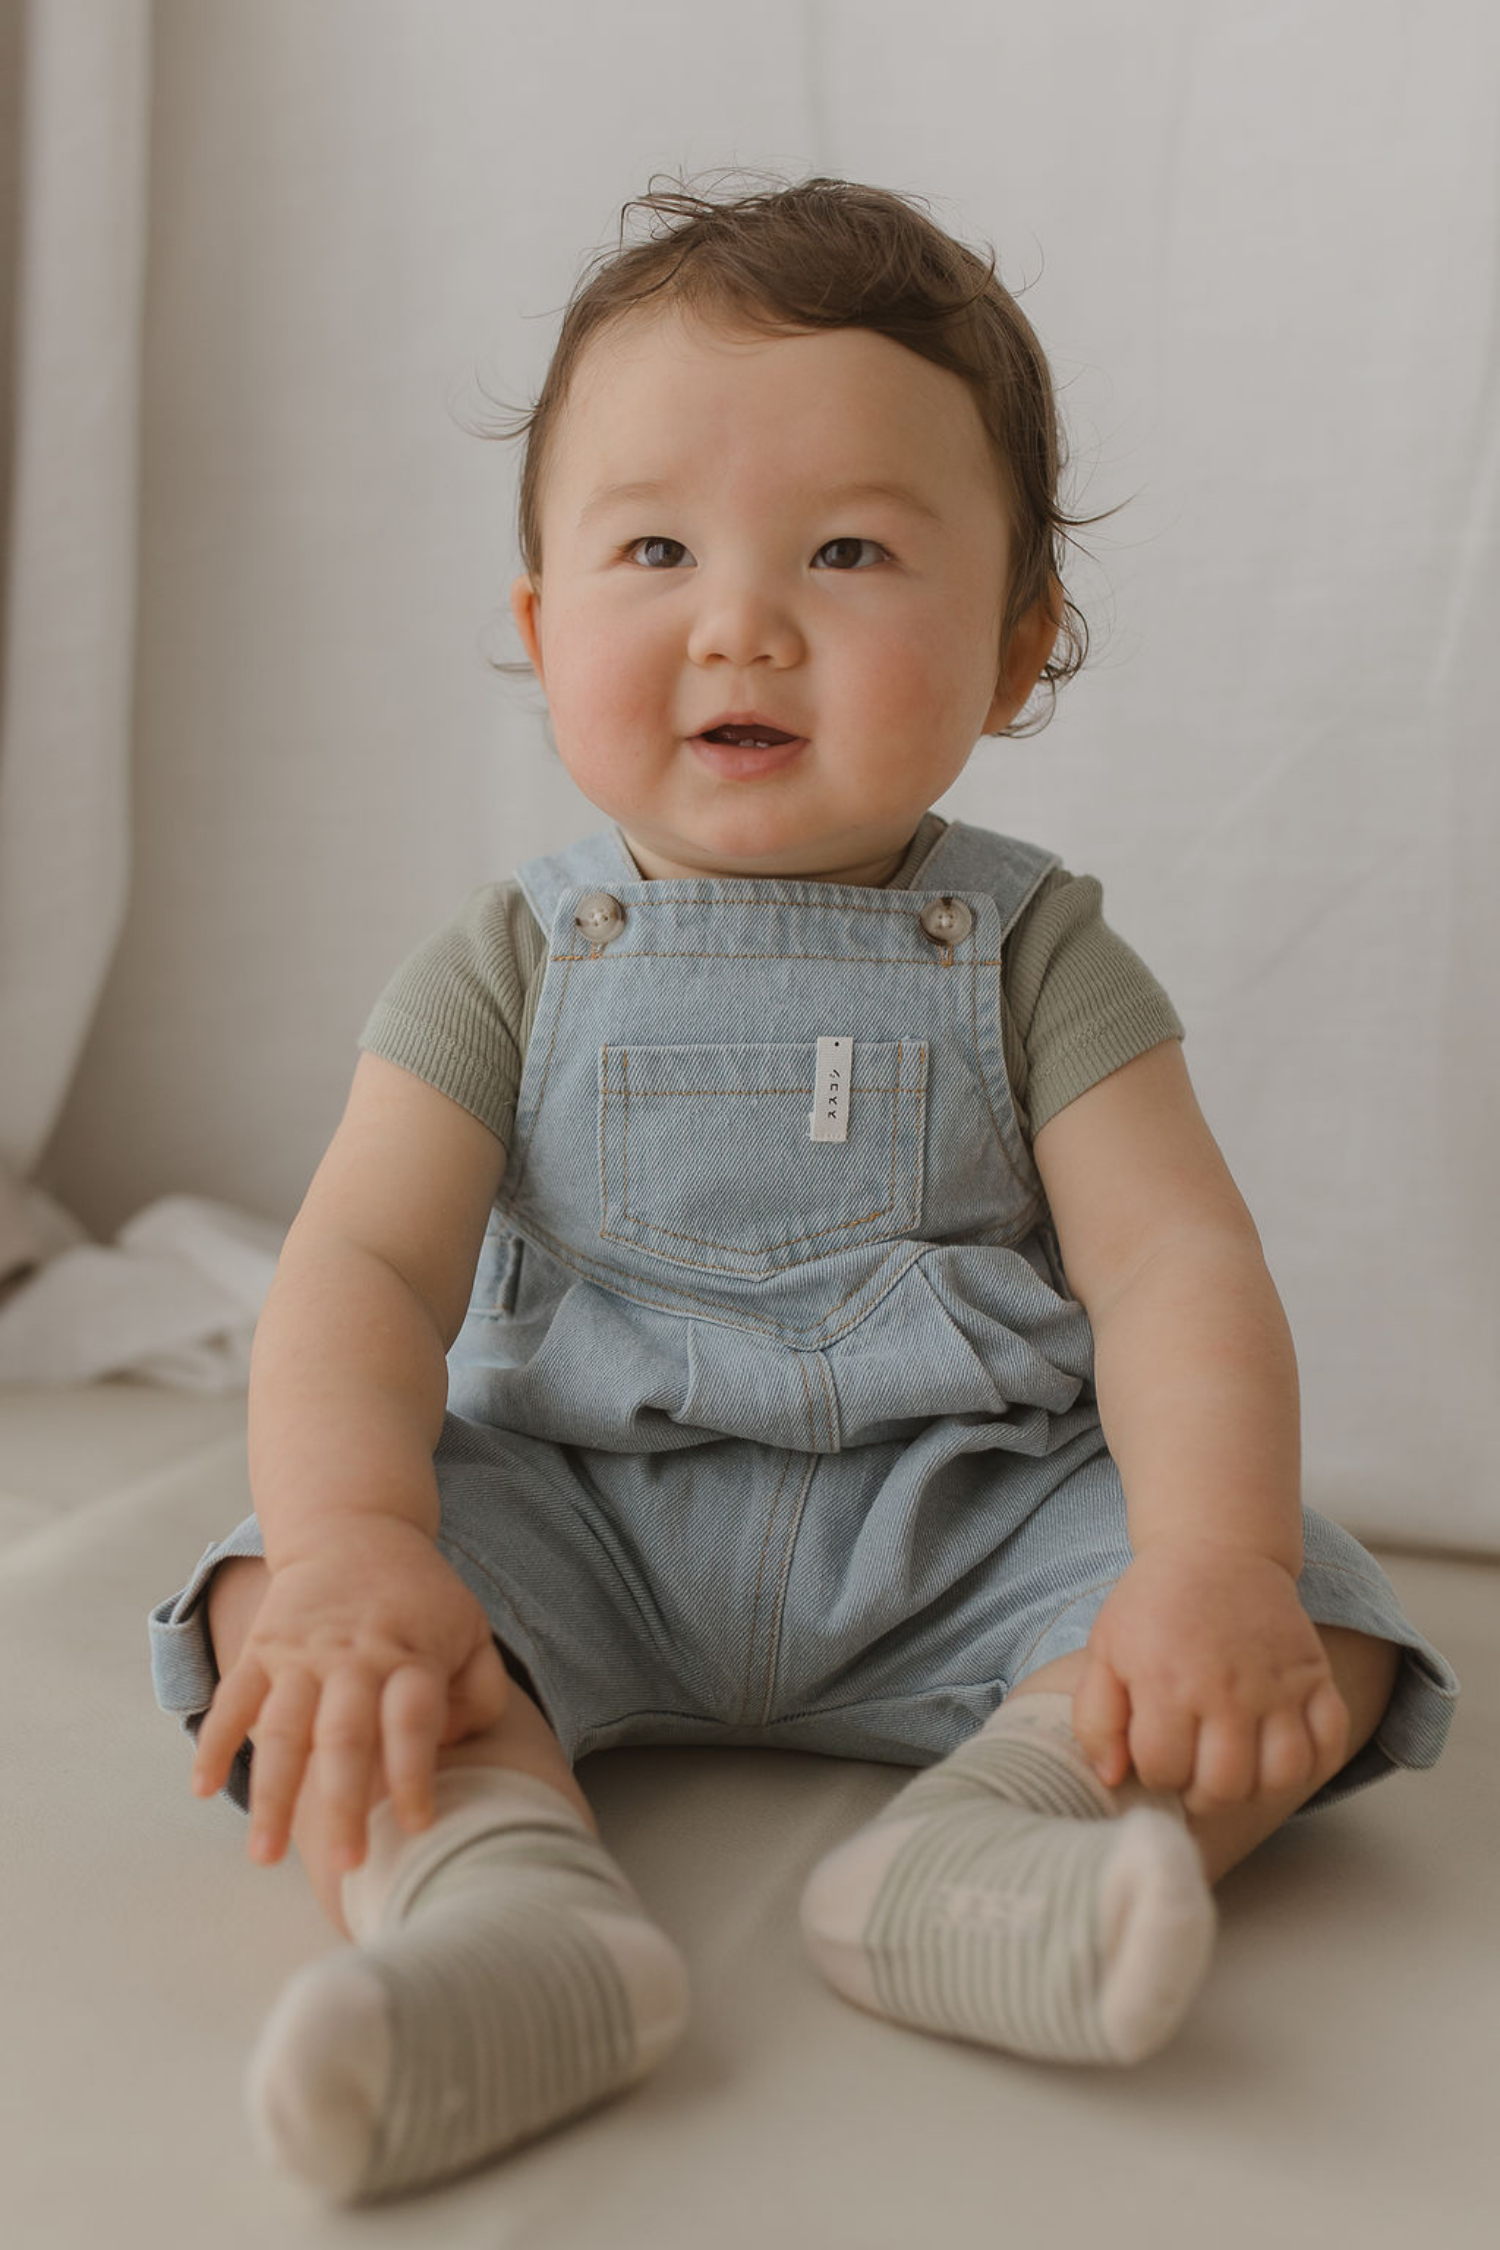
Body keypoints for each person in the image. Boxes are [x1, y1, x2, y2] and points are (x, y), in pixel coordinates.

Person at [148, 173, 1460, 2205]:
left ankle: (998, 1847)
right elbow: (368, 1272)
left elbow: (1175, 1267)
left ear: (1017, 646)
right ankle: (504, 1908)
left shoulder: (1037, 953)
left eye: (847, 550)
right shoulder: (507, 959)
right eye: (655, 548)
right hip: (580, 1512)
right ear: (541, 627)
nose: (741, 620)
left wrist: (1208, 1561)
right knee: (275, 1613)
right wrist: (351, 1544)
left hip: (956, 1511)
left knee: (1316, 1614)